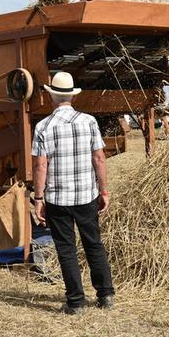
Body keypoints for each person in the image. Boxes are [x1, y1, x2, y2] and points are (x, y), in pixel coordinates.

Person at [31, 71, 115, 315]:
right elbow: (99, 158)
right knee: (93, 244)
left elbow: (40, 165)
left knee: (66, 249)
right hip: (86, 196)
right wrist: (104, 190)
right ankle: (106, 295)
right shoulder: (88, 122)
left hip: (58, 199)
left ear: (51, 97)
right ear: (72, 97)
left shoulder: (43, 126)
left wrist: (38, 198)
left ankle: (76, 302)